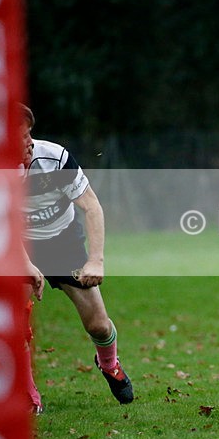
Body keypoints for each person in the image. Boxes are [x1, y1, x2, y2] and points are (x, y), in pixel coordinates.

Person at [19, 103, 134, 405]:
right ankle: (28, 393)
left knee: (98, 324)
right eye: (20, 138)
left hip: (63, 243)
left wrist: (95, 259)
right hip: (17, 245)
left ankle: (109, 364)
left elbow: (91, 205)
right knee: (15, 321)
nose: (28, 142)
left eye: (29, 134)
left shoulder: (55, 158)